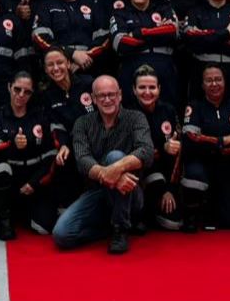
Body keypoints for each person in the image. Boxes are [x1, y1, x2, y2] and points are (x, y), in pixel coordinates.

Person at [52, 76, 154, 255]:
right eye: (101, 96)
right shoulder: (82, 123)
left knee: (115, 157)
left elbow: (146, 152)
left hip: (131, 193)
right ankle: (109, 229)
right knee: (62, 235)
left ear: (120, 95)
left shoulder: (136, 118)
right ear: (93, 98)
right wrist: (108, 176)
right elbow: (82, 160)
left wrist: (115, 168)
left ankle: (120, 229)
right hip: (97, 192)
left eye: (111, 94)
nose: (107, 99)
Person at [0, 72, 59, 240]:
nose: (21, 95)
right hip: (9, 179)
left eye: (27, 92)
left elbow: (50, 155)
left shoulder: (40, 116)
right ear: (9, 87)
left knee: (44, 228)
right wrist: (13, 142)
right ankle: (5, 219)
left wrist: (34, 183)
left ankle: (23, 212)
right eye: (17, 89)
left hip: (34, 178)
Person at [180, 65, 230, 232]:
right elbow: (191, 140)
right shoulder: (194, 106)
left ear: (225, 82)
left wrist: (209, 142)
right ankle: (192, 213)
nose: (214, 84)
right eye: (209, 80)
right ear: (202, 85)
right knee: (194, 174)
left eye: (218, 79)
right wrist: (222, 141)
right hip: (202, 164)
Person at [111, 0, 180, 108]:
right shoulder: (120, 13)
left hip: (164, 70)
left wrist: (137, 33)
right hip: (132, 70)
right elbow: (121, 43)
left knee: (167, 116)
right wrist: (158, 32)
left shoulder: (164, 8)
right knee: (131, 119)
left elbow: (173, 32)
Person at [37, 46, 93, 207]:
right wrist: (63, 145)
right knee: (60, 157)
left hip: (96, 143)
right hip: (71, 146)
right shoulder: (47, 95)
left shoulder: (88, 83)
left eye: (60, 62)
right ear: (45, 70)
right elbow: (55, 125)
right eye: (50, 65)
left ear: (69, 63)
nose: (56, 68)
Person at [31, 0, 111, 74]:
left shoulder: (94, 6)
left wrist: (84, 58)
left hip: (90, 68)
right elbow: (39, 38)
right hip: (56, 69)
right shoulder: (46, 7)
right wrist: (71, 54)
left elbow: (104, 39)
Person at [131, 65, 182, 232]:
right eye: (142, 87)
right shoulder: (127, 113)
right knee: (155, 180)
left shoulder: (169, 110)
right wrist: (162, 148)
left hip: (166, 172)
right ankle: (140, 214)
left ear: (159, 89)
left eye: (152, 87)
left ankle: (161, 205)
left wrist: (169, 189)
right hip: (139, 174)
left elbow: (177, 153)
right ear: (134, 90)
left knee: (174, 223)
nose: (147, 92)